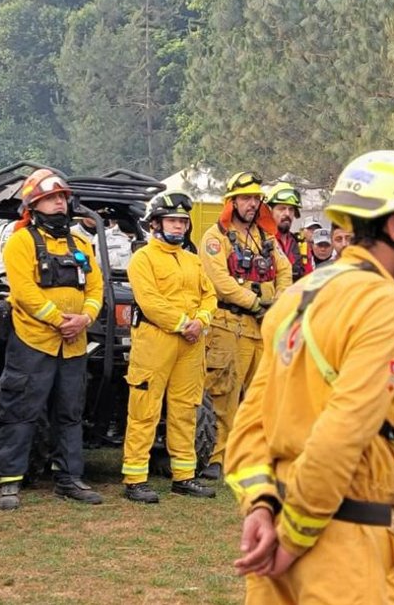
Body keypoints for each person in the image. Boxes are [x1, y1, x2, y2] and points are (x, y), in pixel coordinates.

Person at [224, 149, 394, 604]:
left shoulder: (295, 298)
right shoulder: (381, 303)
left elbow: (250, 423)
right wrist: (295, 537)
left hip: (273, 542)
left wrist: (260, 506)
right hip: (338, 548)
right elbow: (343, 430)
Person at [0, 169, 105, 509]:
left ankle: (69, 479)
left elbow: (96, 286)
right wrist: (59, 320)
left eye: (62, 198)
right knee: (20, 409)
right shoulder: (21, 241)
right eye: (52, 198)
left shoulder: (80, 244)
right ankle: (9, 482)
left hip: (72, 344)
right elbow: (24, 291)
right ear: (34, 204)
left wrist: (85, 317)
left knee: (70, 413)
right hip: (33, 341)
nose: (60, 203)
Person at [121, 192, 218, 503]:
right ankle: (135, 479)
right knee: (144, 410)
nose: (178, 226)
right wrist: (183, 324)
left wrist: (201, 321)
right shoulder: (142, 259)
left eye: (182, 221)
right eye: (172, 220)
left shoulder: (192, 259)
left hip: (191, 344)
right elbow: (149, 302)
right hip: (155, 341)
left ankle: (184, 477)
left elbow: (210, 296)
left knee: (186, 411)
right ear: (155, 224)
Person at [198, 171, 292, 481]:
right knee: (223, 393)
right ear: (232, 202)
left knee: (261, 396)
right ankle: (216, 458)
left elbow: (284, 270)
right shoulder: (215, 237)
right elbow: (220, 282)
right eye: (246, 198)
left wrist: (277, 303)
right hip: (229, 326)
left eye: (255, 198)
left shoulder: (267, 237)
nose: (252, 204)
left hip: (262, 328)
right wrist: (254, 303)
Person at [265, 181, 312, 281]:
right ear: (270, 211)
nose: (287, 213)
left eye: (291, 209)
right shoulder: (260, 241)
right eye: (282, 208)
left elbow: (308, 281)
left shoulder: (301, 244)